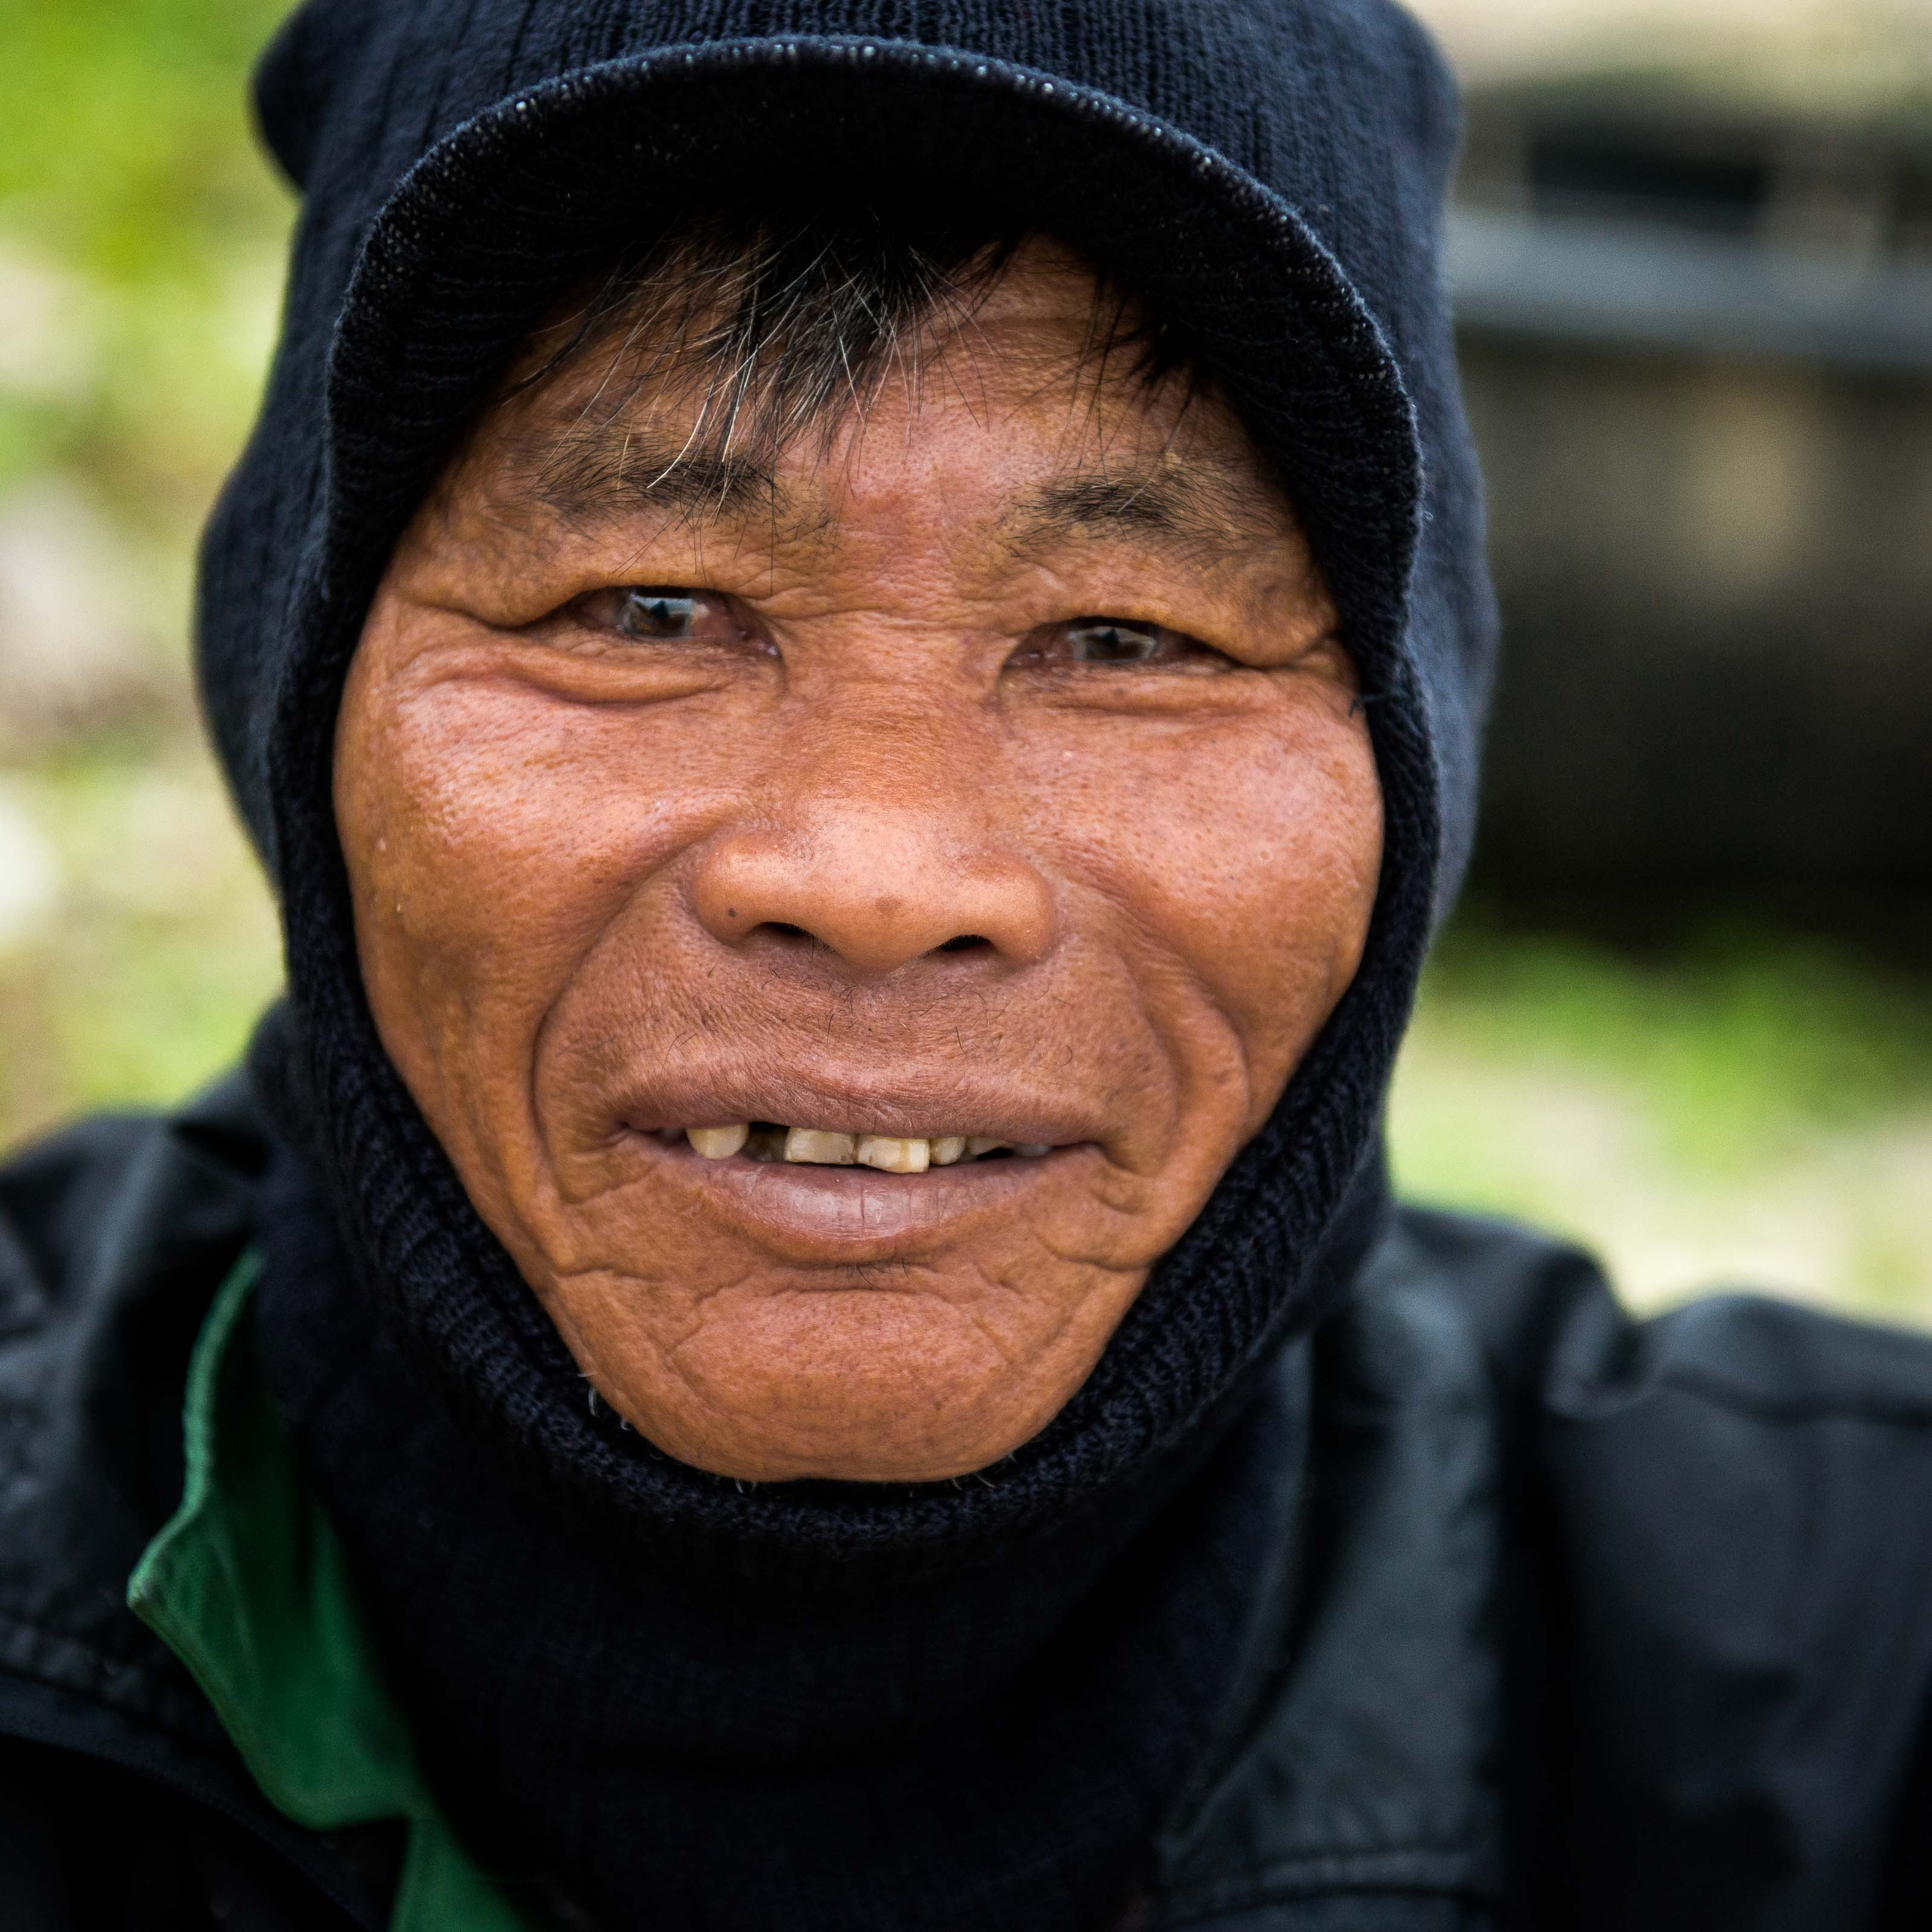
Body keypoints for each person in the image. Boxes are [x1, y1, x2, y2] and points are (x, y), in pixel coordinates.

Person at [1, 1, 1927, 1927]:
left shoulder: (1839, 1656)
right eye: (646, 608)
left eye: (1127, 637)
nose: (875, 872)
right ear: (299, 690)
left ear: (1410, 752)